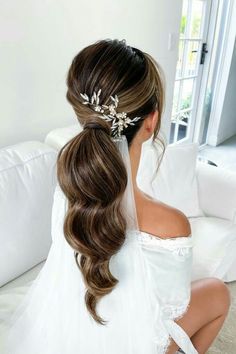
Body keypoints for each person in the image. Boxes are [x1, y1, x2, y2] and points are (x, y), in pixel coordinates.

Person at [4, 39, 231, 354]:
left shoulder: (65, 194)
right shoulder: (170, 223)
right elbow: (169, 314)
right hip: (137, 343)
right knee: (218, 293)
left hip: (72, 325)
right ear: (151, 121)